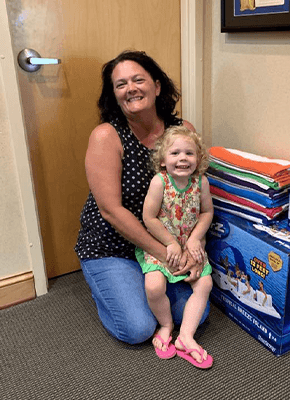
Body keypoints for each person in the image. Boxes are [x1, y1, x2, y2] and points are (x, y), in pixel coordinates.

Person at [74, 50, 210, 347]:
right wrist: (166, 255)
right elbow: (110, 211)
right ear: (114, 95)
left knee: (196, 316)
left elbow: (194, 198)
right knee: (138, 329)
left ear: (157, 86)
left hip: (169, 241)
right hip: (113, 245)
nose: (131, 88)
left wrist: (191, 246)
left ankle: (141, 285)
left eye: (138, 80)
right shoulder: (106, 136)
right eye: (121, 84)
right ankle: (105, 286)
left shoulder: (182, 132)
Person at [136, 125, 213, 368]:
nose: (182, 158)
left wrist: (194, 239)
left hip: (190, 246)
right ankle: (166, 324)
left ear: (198, 159)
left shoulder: (201, 182)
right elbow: (149, 218)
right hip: (163, 246)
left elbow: (207, 212)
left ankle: (186, 337)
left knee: (205, 284)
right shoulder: (159, 182)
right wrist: (170, 243)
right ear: (162, 161)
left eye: (189, 154)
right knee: (154, 285)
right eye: (175, 153)